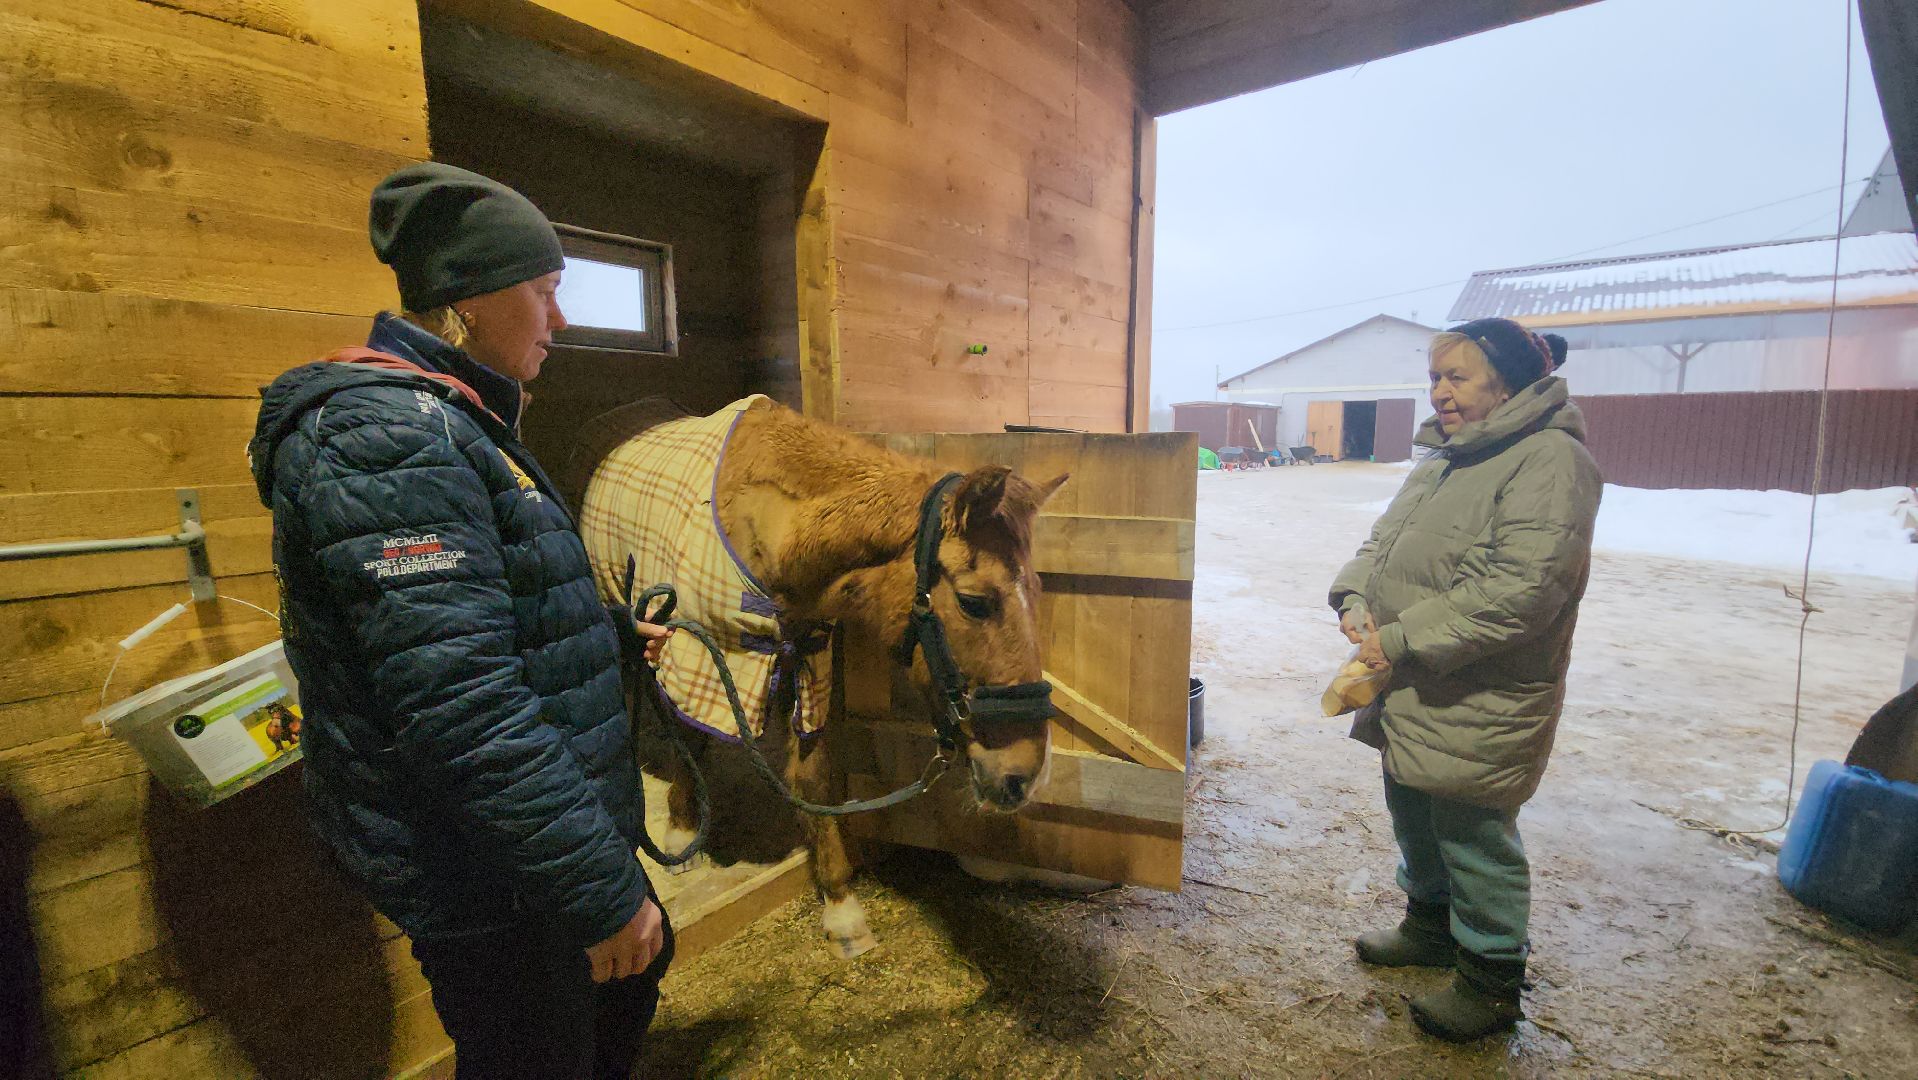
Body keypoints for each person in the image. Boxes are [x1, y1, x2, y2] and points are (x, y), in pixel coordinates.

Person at [249, 162, 675, 1079]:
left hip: (520, 856)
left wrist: (599, 633)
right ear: (472, 299)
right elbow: (464, 710)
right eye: (545, 293)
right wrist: (601, 894)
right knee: (536, 1050)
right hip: (485, 874)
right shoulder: (392, 441)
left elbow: (469, 621)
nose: (559, 323)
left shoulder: (456, 423)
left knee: (627, 991)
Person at [1328, 317, 1601, 1042]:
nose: (1440, 393)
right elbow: (1384, 539)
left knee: (1474, 830)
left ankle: (1489, 980)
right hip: (1413, 675)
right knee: (1412, 802)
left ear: (1507, 382)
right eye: (1434, 378)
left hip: (1484, 687)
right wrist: (1356, 595)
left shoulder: (1549, 460)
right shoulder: (1449, 456)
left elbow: (1522, 590)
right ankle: (1429, 928)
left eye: (1458, 377)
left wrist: (1402, 635)